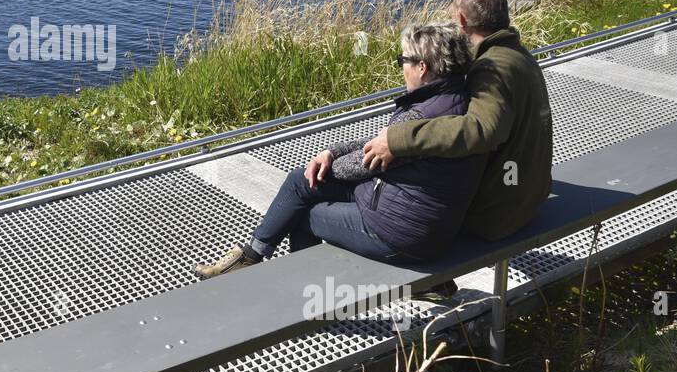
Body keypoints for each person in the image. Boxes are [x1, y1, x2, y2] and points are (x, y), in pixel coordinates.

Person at [195, 22, 486, 287]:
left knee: (305, 212)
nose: (401, 68)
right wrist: (332, 152)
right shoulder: (456, 99)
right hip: (415, 214)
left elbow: (363, 164)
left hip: (400, 233)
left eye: (403, 61)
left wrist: (328, 164)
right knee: (300, 181)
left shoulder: (421, 115)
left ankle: (312, 295)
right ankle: (252, 255)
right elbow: (379, 143)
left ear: (422, 67)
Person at [362, 0, 552, 240]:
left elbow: (482, 130)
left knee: (400, 202)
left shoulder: (491, 67)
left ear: (461, 20)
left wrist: (400, 138)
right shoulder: (518, 54)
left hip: (496, 215)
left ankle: (430, 279)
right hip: (527, 196)